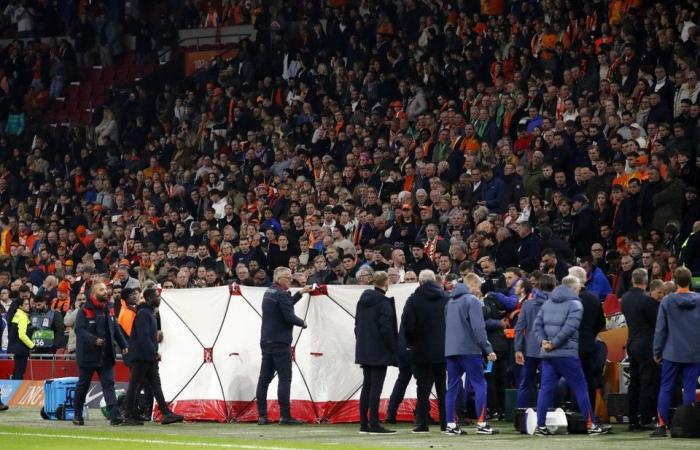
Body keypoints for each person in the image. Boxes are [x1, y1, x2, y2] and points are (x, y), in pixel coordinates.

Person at [532, 275, 611, 436]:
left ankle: (540, 426)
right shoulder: (576, 304)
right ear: (574, 289)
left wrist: (543, 342)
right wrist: (554, 343)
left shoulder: (548, 302)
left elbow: (537, 325)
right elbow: (570, 328)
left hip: (548, 354)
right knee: (581, 388)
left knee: (546, 390)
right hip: (566, 354)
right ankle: (591, 424)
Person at [256, 267, 312, 425]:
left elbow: (284, 305)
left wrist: (300, 293)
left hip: (266, 340)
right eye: (287, 277)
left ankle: (262, 416)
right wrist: (303, 323)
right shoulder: (282, 294)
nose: (290, 279)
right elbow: (288, 316)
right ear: (279, 278)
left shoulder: (269, 292)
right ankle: (285, 416)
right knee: (284, 379)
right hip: (281, 342)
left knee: (264, 379)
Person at [443, 277, 498, 436]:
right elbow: (479, 328)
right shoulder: (472, 301)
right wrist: (488, 349)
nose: (479, 288)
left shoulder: (449, 302)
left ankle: (451, 424)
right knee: (480, 384)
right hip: (469, 350)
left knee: (452, 387)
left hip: (451, 350)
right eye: (478, 285)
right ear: (471, 284)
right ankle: (482, 423)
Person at [123, 288, 184, 425]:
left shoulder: (147, 313)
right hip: (141, 357)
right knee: (135, 385)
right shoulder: (145, 313)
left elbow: (146, 336)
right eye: (157, 296)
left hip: (147, 357)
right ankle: (128, 414)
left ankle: (166, 413)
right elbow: (143, 337)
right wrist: (153, 352)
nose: (159, 298)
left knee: (154, 385)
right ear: (149, 298)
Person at [651, 266, 700, 438]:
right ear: (690, 281)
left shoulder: (667, 301)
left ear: (674, 280)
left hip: (672, 352)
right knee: (690, 389)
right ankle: (688, 425)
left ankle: (662, 425)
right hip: (694, 352)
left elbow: (661, 329)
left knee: (666, 388)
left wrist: (657, 350)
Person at [72, 281, 128, 426]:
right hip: (88, 356)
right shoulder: (84, 310)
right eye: (101, 289)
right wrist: (93, 340)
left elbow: (115, 327)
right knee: (83, 386)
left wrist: (123, 345)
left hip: (106, 355)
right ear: (93, 294)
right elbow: (79, 330)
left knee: (109, 385)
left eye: (105, 289)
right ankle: (77, 415)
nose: (105, 291)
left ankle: (115, 416)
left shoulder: (109, 308)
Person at [400, 269, 448, 433]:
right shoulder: (445, 298)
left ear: (419, 282)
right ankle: (446, 422)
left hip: (421, 350)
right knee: (442, 388)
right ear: (435, 280)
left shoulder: (413, 300)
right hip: (442, 349)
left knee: (423, 388)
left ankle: (422, 422)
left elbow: (408, 324)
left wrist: (412, 343)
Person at [354, 271, 398, 434]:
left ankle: (364, 424)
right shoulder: (383, 302)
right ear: (386, 283)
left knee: (367, 386)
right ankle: (374, 423)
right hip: (379, 350)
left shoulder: (363, 300)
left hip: (364, 348)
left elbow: (357, 325)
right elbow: (387, 329)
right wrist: (393, 349)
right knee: (375, 388)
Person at [620, 268, 659, 431]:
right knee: (646, 382)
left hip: (632, 343)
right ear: (646, 280)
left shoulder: (625, 298)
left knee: (633, 383)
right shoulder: (647, 300)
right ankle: (646, 418)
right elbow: (657, 323)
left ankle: (632, 420)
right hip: (646, 345)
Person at [568, 266, 606, 411]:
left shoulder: (569, 298)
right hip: (588, 344)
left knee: (574, 379)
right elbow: (601, 322)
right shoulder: (593, 298)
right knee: (588, 379)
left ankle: (576, 413)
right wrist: (590, 334)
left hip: (571, 344)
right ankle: (590, 415)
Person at [514, 274, 555, 407]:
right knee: (548, 383)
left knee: (525, 382)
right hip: (549, 349)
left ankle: (521, 416)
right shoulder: (557, 304)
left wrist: (518, 349)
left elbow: (519, 328)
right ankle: (547, 414)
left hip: (530, 349)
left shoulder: (528, 304)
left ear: (538, 286)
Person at [8, 297, 34, 379]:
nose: (28, 306)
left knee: (17, 370)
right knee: (20, 372)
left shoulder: (17, 315)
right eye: (26, 304)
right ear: (20, 306)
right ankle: (18, 390)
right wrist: (32, 345)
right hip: (21, 348)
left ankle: (15, 389)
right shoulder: (22, 316)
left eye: (28, 304)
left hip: (17, 348)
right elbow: (22, 335)